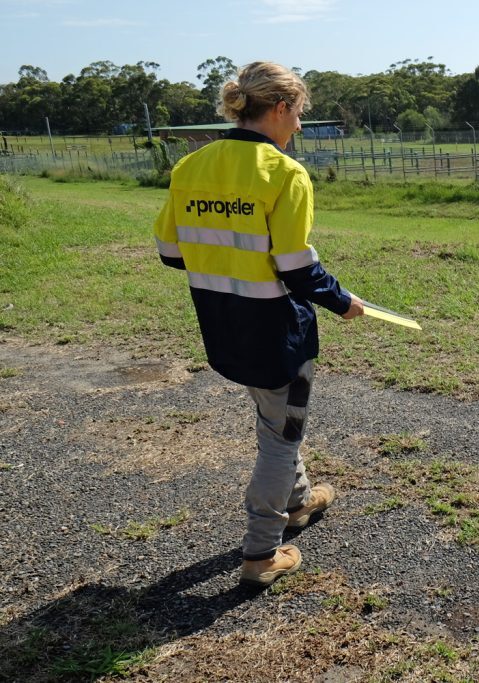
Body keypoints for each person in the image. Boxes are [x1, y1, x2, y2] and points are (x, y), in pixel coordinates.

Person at [153, 61, 364, 587]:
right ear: (280, 108)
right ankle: (261, 553)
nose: (297, 129)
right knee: (281, 438)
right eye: (298, 116)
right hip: (276, 334)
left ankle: (296, 501)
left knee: (274, 421)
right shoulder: (286, 173)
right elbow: (296, 265)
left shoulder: (190, 166)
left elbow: (170, 251)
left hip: (222, 323)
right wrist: (342, 302)